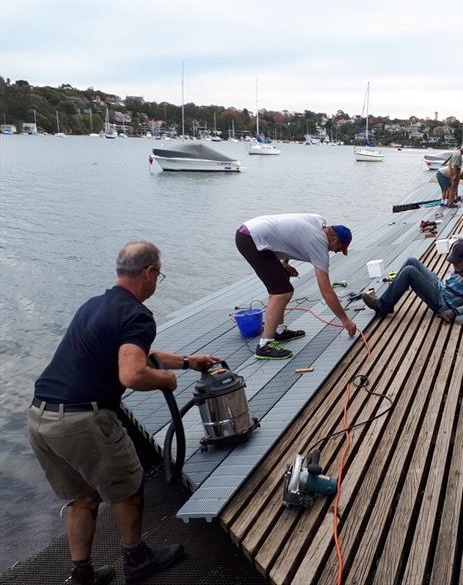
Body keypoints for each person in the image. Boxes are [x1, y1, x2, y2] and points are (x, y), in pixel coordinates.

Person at [27, 241, 220, 585]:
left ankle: (81, 574)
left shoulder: (95, 305)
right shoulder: (137, 314)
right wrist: (167, 379)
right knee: (128, 487)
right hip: (82, 422)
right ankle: (137, 559)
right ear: (148, 273)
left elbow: (134, 351)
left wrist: (188, 361)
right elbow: (131, 373)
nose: (158, 282)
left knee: (83, 497)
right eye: (159, 275)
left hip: (41, 419)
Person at [235, 213, 358, 360]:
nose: (333, 251)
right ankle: (264, 345)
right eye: (337, 248)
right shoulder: (319, 243)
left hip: (252, 232)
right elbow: (326, 291)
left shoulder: (319, 221)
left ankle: (279, 332)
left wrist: (284, 264)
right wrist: (345, 320)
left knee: (282, 283)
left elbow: (291, 237)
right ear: (333, 239)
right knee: (281, 292)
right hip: (252, 240)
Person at [361, 241, 463, 322]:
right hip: (441, 287)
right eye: (454, 261)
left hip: (442, 302)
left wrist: (454, 312)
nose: (455, 264)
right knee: (411, 260)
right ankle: (389, 303)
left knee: (409, 272)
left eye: (457, 262)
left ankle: (382, 307)